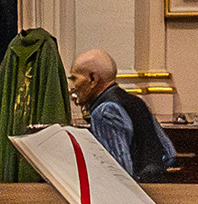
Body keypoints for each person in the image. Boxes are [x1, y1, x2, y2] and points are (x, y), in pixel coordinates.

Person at [69, 48, 176, 179]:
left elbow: (118, 174)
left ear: (93, 79)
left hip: (134, 193)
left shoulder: (104, 112)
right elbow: (168, 154)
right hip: (156, 188)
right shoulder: (135, 101)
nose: (72, 86)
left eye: (75, 79)